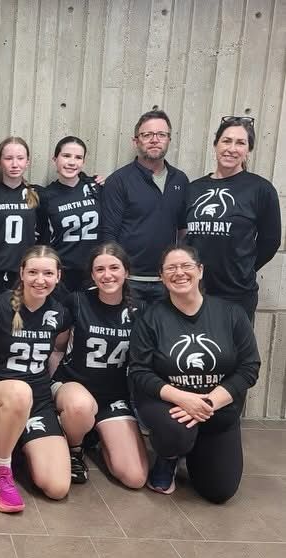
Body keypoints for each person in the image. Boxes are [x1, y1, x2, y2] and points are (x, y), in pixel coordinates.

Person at [130, 244, 260, 502]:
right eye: (171, 268)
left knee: (220, 491)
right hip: (168, 405)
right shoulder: (151, 317)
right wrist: (183, 398)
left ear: (200, 271)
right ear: (161, 277)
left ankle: (197, 445)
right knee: (177, 433)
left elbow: (249, 367)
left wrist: (210, 401)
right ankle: (168, 457)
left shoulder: (231, 313)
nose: (179, 273)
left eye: (186, 266)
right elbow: (139, 370)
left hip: (217, 408)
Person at [0, 246, 72, 512]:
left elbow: (58, 350)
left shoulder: (60, 314)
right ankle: (1, 471)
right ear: (22, 273)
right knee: (19, 392)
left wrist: (49, 384)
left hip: (37, 400)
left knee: (57, 487)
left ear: (59, 276)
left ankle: (19, 443)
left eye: (48, 273)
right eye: (33, 272)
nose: (40, 279)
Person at [52, 242, 148, 488]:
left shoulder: (139, 310)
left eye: (114, 267)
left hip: (113, 396)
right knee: (81, 407)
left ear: (126, 271)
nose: (107, 275)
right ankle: (75, 448)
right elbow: (58, 348)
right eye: (100, 269)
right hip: (73, 385)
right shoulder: (77, 301)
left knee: (135, 478)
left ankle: (97, 435)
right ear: (93, 274)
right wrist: (46, 388)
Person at [184, 116, 281, 321]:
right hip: (194, 291)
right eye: (226, 141)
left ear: (248, 150)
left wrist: (243, 267)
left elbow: (271, 242)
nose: (231, 148)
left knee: (233, 353)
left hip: (236, 295)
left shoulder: (260, 189)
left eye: (240, 143)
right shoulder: (193, 189)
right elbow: (182, 236)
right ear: (215, 144)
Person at [100, 110, 188, 305]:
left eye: (161, 135)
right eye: (147, 135)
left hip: (167, 280)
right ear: (136, 141)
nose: (154, 140)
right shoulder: (119, 181)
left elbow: (182, 230)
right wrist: (116, 277)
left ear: (169, 140)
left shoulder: (180, 180)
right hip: (130, 282)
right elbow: (109, 235)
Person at [36, 136, 101, 294]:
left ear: (83, 162)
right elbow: (41, 237)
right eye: (66, 156)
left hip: (93, 273)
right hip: (63, 274)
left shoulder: (96, 188)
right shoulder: (46, 196)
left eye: (78, 157)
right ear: (55, 159)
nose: (72, 162)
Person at [0, 137, 40, 298]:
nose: (15, 164)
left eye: (20, 158)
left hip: (24, 274)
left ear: (28, 162)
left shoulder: (37, 194)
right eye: (8, 158)